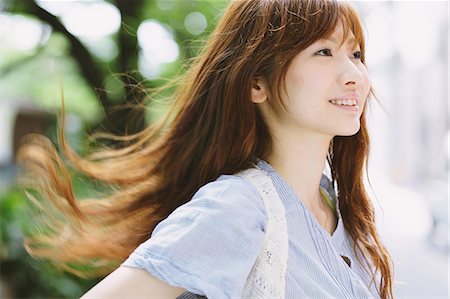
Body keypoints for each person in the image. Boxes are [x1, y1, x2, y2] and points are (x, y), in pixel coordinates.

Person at [18, 0, 394, 298]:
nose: (354, 75)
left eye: (356, 54)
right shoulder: (239, 207)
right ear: (256, 83)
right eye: (324, 52)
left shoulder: (337, 205)